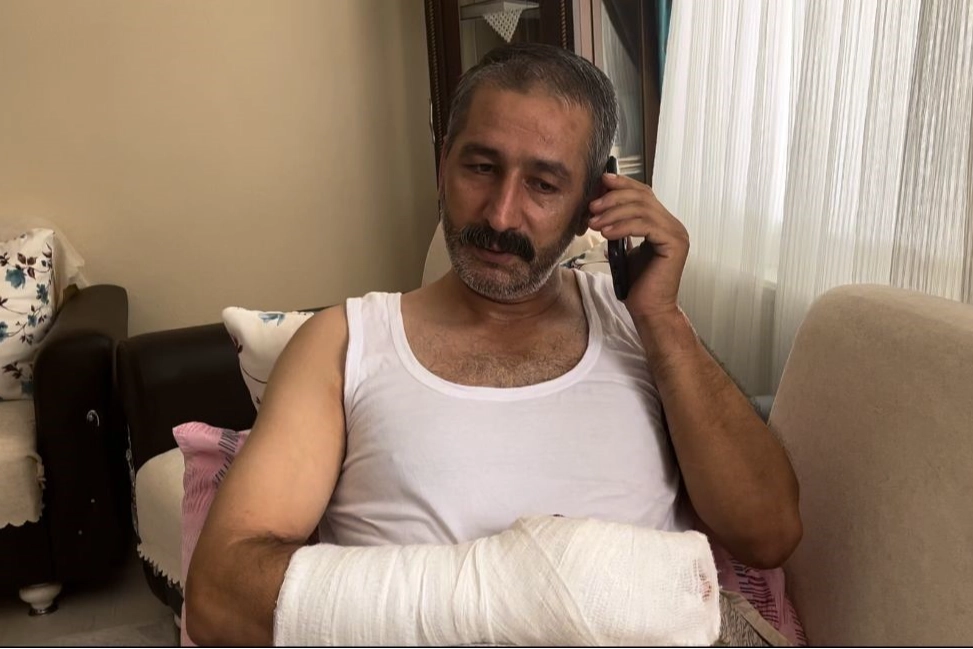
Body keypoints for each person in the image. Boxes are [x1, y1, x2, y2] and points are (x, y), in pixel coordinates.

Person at [185, 42, 802, 646]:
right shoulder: (345, 343)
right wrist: (514, 592)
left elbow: (769, 533)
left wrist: (661, 318)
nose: (502, 216)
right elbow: (219, 598)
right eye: (480, 168)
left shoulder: (644, 332)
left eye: (544, 184)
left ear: (593, 203)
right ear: (443, 166)